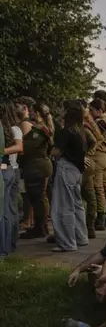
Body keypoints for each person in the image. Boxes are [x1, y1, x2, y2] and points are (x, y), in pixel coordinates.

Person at [50, 101, 94, 252]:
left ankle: (67, 242)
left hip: (65, 168)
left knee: (63, 206)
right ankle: (81, 237)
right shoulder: (80, 130)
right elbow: (92, 142)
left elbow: (57, 152)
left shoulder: (65, 131)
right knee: (76, 205)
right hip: (77, 171)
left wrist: (49, 152)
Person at [19, 103, 53, 240]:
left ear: (38, 113)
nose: (30, 114)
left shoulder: (39, 131)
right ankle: (41, 226)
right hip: (38, 164)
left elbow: (27, 148)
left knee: (37, 198)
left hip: (37, 166)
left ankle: (40, 228)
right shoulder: (41, 129)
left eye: (32, 112)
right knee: (39, 197)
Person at [89, 98, 106, 230]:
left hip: (98, 156)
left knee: (98, 188)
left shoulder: (100, 122)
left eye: (91, 110)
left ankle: (101, 216)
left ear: (99, 110)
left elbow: (95, 139)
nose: (90, 112)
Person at [0, 101, 23, 255]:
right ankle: (9, 244)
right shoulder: (9, 129)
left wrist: (2, 151)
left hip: (10, 169)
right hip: (9, 169)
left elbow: (19, 147)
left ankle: (8, 245)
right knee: (9, 209)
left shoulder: (13, 129)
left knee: (8, 210)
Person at [79, 105, 102, 240]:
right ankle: (90, 228)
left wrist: (86, 154)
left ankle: (87, 228)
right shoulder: (89, 126)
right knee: (91, 197)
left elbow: (94, 141)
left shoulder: (83, 128)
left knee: (76, 197)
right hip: (89, 164)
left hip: (83, 165)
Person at [13, 97, 34, 230]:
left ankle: (28, 220)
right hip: (25, 164)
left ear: (25, 108)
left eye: (17, 106)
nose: (15, 108)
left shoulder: (25, 124)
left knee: (26, 193)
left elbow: (26, 147)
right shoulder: (22, 123)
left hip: (27, 164)